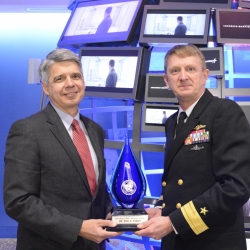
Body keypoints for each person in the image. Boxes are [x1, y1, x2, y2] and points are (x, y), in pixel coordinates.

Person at [4, 48, 123, 250]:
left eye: (75, 76)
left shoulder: (95, 131)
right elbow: (18, 201)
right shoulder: (27, 130)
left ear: (83, 83)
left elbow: (95, 189)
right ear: (46, 88)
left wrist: (111, 213)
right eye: (60, 78)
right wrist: (78, 228)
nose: (70, 84)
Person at [135, 44, 250, 250]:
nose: (183, 76)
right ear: (166, 81)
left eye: (190, 69)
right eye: (175, 71)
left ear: (205, 75)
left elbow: (235, 187)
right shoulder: (173, 122)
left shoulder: (224, 112)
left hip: (213, 242)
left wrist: (173, 222)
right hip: (178, 242)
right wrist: (163, 210)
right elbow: (183, 184)